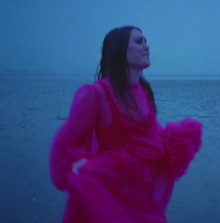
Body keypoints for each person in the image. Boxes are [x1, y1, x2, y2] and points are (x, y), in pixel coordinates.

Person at [49, 26, 203, 223]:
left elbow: (150, 139)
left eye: (146, 41)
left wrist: (180, 140)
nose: (146, 46)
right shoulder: (96, 94)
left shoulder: (144, 91)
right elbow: (64, 143)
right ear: (120, 50)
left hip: (139, 196)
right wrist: (80, 165)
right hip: (108, 197)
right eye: (139, 41)